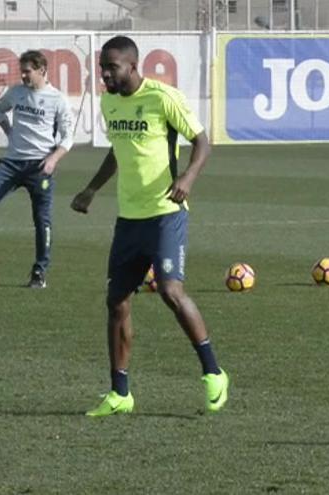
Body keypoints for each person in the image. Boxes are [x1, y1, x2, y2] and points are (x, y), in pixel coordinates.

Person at [71, 35, 229, 417]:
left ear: (132, 65)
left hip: (165, 214)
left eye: (112, 67)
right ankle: (120, 393)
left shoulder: (163, 98)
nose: (105, 74)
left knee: (171, 292)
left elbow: (202, 141)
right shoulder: (109, 102)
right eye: (102, 67)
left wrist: (188, 179)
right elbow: (118, 149)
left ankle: (214, 373)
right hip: (129, 218)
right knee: (117, 302)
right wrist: (91, 189)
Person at [0, 49, 74, 289]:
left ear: (42, 70)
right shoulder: (17, 93)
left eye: (28, 72)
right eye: (22, 72)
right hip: (11, 162)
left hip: (40, 166)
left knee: (42, 221)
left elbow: (68, 137)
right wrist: (9, 132)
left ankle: (39, 272)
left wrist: (53, 159)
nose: (24, 76)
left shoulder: (57, 99)